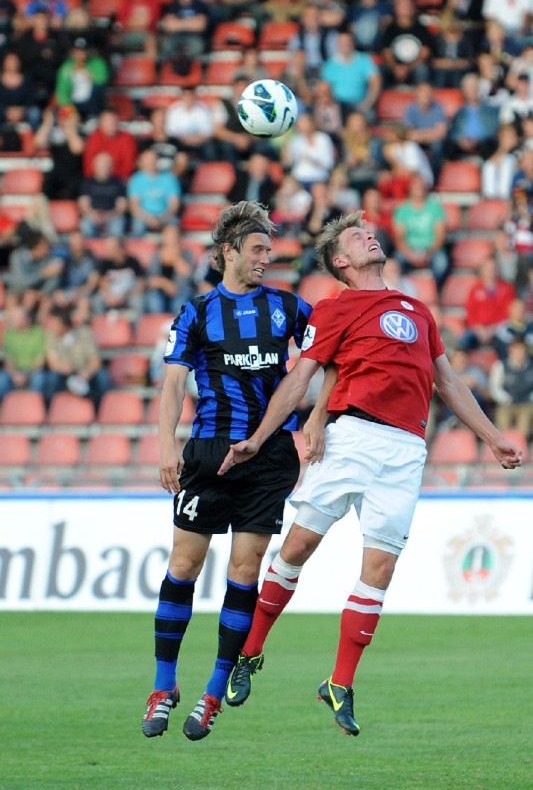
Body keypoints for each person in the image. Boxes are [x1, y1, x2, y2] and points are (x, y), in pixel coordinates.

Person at [217, 210, 523, 736]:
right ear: (341, 260)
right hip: (352, 436)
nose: (370, 236)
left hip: (407, 447)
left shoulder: (418, 310)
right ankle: (250, 651)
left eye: (369, 232)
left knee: (379, 570)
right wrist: (261, 437)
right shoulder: (335, 309)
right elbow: (302, 379)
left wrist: (493, 437)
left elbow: (449, 383)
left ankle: (339, 682)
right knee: (297, 547)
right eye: (358, 236)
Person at [141, 201, 314, 743]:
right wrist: (166, 447)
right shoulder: (196, 312)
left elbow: (330, 356)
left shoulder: (289, 307)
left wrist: (318, 419)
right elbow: (173, 384)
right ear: (228, 252)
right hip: (209, 452)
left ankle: (213, 691)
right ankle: (163, 686)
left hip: (269, 455)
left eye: (270, 250)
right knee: (184, 564)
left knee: (244, 570)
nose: (266, 258)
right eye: (257, 249)